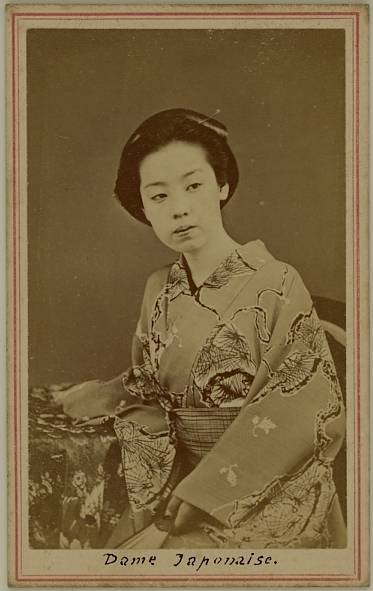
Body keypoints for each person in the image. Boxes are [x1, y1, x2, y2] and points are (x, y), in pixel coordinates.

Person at [53, 108, 346, 549]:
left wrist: (211, 492)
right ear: (144, 208)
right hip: (178, 472)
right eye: (159, 197)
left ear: (222, 185)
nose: (180, 209)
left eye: (194, 186)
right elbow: (151, 387)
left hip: (263, 485)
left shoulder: (279, 282)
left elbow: (303, 409)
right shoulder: (158, 289)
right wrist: (108, 394)